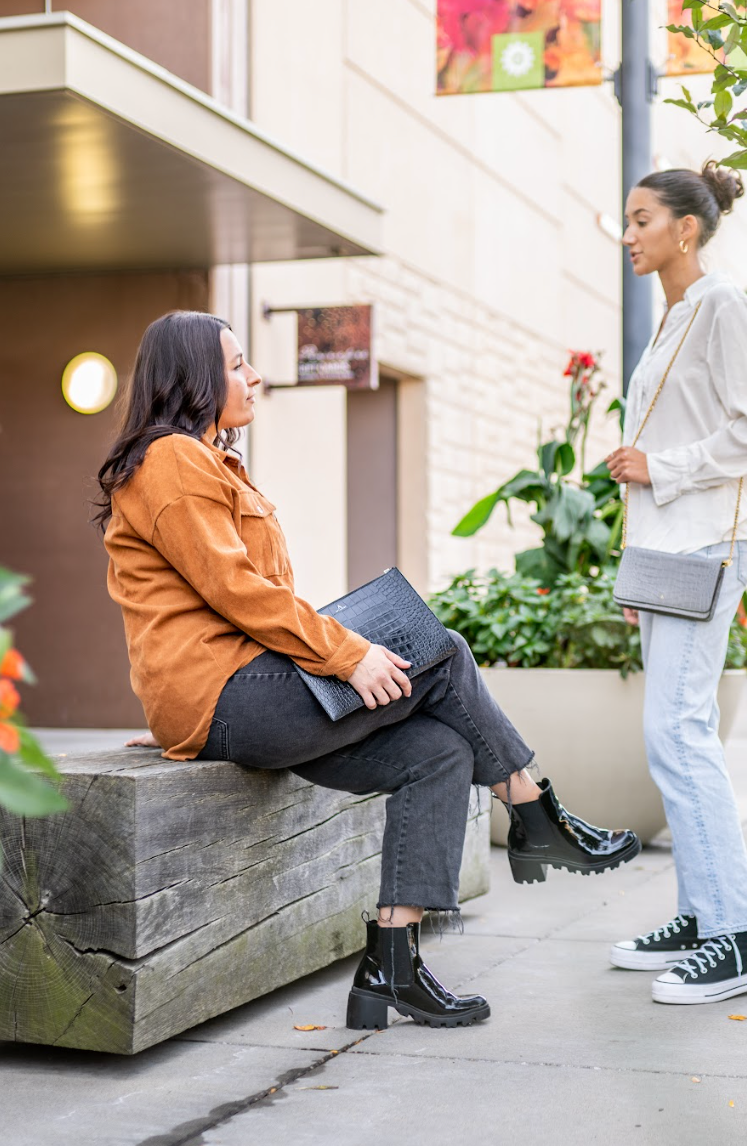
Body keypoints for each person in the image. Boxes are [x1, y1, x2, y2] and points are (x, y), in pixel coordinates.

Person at [96, 311, 639, 1031]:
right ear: (192, 377)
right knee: (438, 647)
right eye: (236, 364)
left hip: (247, 689)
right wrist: (349, 655)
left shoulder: (209, 460)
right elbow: (237, 593)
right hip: (229, 696)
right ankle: (533, 806)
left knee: (438, 753)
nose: (254, 377)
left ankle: (392, 962)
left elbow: (240, 598)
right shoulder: (171, 459)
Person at [603, 161, 747, 1005]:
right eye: (627, 219)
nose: (629, 233)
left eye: (642, 218)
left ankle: (736, 937)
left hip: (708, 541)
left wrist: (664, 465)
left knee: (679, 733)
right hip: (670, 545)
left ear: (687, 227)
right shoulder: (676, 316)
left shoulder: (721, 305)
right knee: (670, 735)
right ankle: (699, 910)